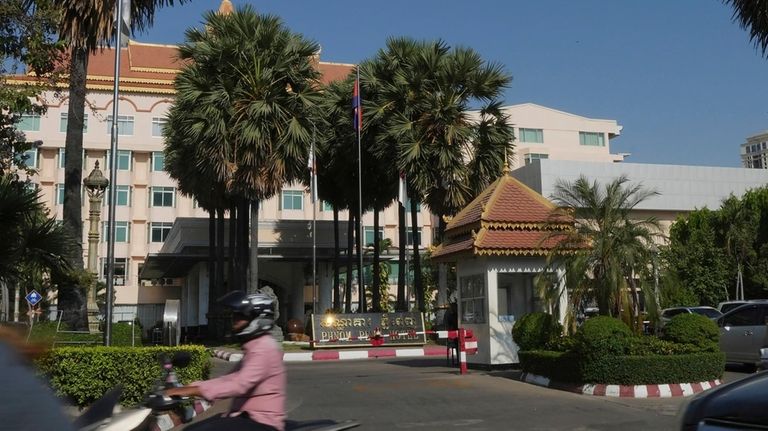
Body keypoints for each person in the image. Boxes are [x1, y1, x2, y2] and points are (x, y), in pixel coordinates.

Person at [165, 291, 286, 431]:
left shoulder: (264, 348)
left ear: (259, 319)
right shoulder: (254, 346)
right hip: (245, 417)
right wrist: (191, 387)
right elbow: (228, 379)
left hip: (262, 422)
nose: (234, 320)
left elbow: (239, 384)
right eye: (235, 315)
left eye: (241, 316)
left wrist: (191, 390)